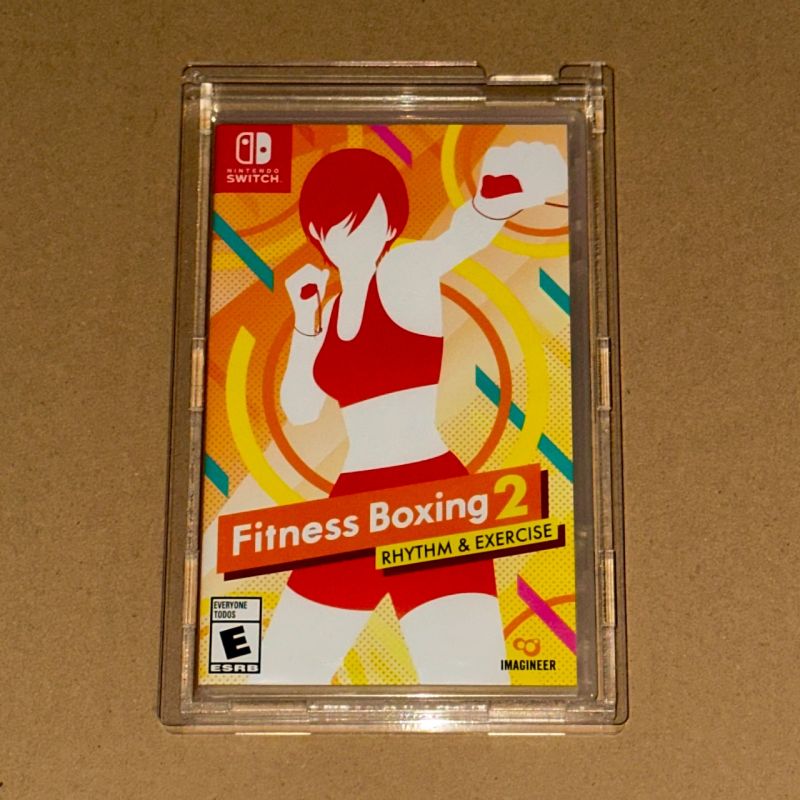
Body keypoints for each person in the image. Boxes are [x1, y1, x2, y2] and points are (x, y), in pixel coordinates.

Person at [249, 142, 567, 684]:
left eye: (369, 221)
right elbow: (300, 409)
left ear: (391, 225)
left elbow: (452, 243)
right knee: (280, 673)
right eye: (340, 225)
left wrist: (491, 202)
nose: (355, 236)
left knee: (471, 680)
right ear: (319, 235)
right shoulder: (329, 309)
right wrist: (305, 320)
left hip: (430, 494)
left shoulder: (401, 271)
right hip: (354, 505)